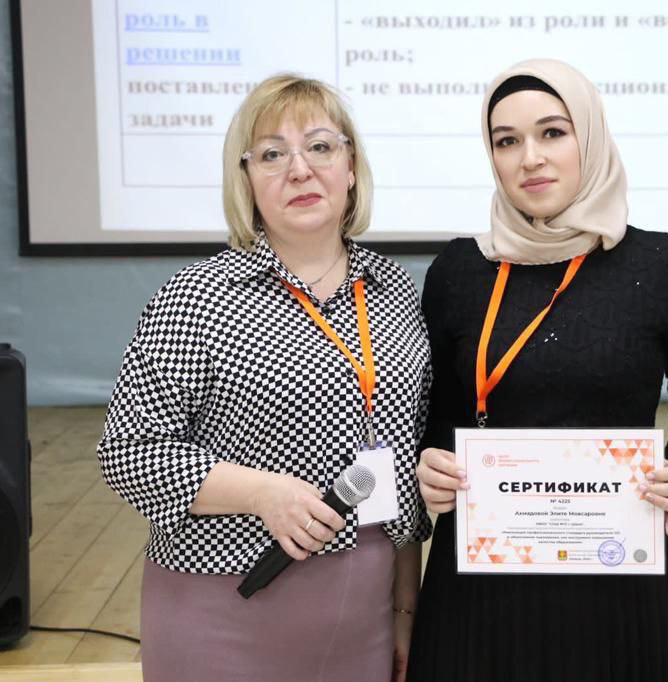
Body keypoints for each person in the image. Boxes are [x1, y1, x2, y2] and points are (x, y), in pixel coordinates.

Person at [407, 59, 668, 681]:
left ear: (589, 136)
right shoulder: (459, 271)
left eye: (552, 133)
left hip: (625, 575)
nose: (529, 158)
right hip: (484, 588)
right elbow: (438, 420)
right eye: (507, 141)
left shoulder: (662, 265)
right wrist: (432, 464)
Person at [97, 74, 431, 682]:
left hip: (365, 606)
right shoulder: (197, 296)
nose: (299, 170)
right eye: (272, 154)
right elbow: (126, 451)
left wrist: (406, 606)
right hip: (225, 604)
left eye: (320, 147)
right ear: (246, 180)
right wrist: (261, 494)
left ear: (351, 167)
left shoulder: (395, 291)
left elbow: (399, 464)